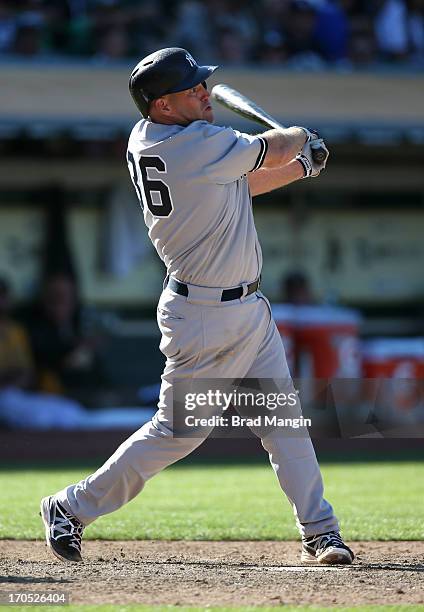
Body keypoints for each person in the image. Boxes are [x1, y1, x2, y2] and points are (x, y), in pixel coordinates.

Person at [40, 47, 354, 566]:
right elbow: (274, 145)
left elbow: (240, 183)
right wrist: (304, 140)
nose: (206, 94)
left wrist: (301, 166)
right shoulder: (196, 144)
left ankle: (321, 532)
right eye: (192, 90)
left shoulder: (155, 139)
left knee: (283, 423)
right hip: (204, 316)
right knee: (177, 432)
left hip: (245, 310)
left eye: (202, 86)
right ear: (163, 106)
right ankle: (70, 507)